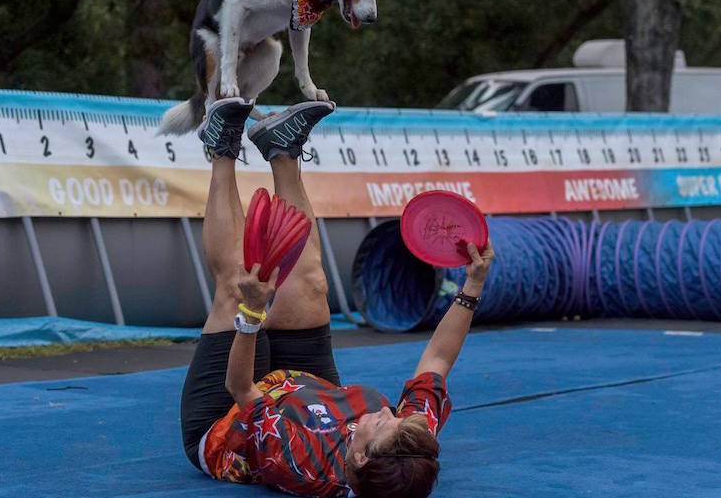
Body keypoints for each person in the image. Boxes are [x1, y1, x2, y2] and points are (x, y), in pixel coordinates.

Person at [180, 97, 495, 498]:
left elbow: (242, 387)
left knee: (239, 285)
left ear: (359, 458)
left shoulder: (299, 460)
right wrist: (473, 287)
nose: (387, 412)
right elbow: (437, 360)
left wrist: (253, 310)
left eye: (382, 424)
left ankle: (221, 147)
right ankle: (281, 149)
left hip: (228, 416)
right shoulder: (408, 445)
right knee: (311, 286)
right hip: (311, 392)